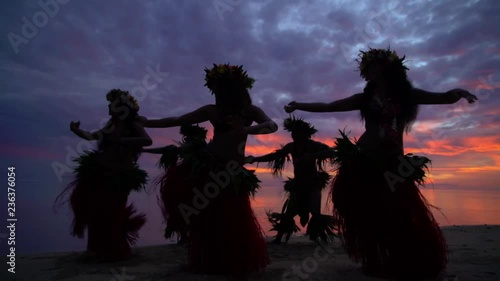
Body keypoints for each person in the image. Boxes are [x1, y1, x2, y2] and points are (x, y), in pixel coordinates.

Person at [284, 47, 478, 279]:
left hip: (394, 161)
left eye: (376, 67)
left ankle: (403, 257)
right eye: (369, 69)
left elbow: (443, 97)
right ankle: (374, 255)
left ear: (389, 69)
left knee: (399, 212)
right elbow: (328, 106)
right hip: (365, 160)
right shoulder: (364, 99)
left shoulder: (407, 95)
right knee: (366, 211)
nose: (372, 72)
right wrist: (298, 105)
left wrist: (461, 92)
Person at [138, 64, 277, 278]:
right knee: (208, 218)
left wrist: (246, 129)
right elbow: (177, 120)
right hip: (209, 167)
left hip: (232, 171)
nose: (217, 94)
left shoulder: (250, 111)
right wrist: (149, 123)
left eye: (220, 90)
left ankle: (230, 260)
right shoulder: (212, 111)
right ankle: (209, 260)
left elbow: (272, 126)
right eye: (215, 90)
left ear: (234, 89)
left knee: (232, 218)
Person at [55, 89, 153, 261]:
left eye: (112, 103)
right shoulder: (110, 125)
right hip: (101, 172)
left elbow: (147, 140)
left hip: (119, 174)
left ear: (120, 106)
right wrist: (75, 130)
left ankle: (113, 250)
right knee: (96, 210)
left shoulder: (132, 125)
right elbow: (92, 136)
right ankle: (96, 249)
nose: (108, 106)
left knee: (113, 211)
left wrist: (122, 141)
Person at [246, 116, 335, 244]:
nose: (293, 135)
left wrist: (311, 156)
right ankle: (278, 238)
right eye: (293, 133)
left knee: (315, 213)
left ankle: (319, 238)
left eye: (296, 133)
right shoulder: (291, 147)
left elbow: (331, 151)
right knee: (289, 213)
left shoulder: (314, 145)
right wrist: (255, 159)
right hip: (298, 184)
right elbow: (275, 156)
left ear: (304, 134)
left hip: (313, 184)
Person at [141, 124, 209, 244]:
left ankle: (196, 236)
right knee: (179, 210)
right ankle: (184, 236)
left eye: (191, 138)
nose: (188, 140)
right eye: (187, 138)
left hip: (198, 183)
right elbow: (165, 150)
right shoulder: (182, 150)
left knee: (198, 211)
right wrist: (144, 150)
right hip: (184, 184)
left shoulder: (205, 151)